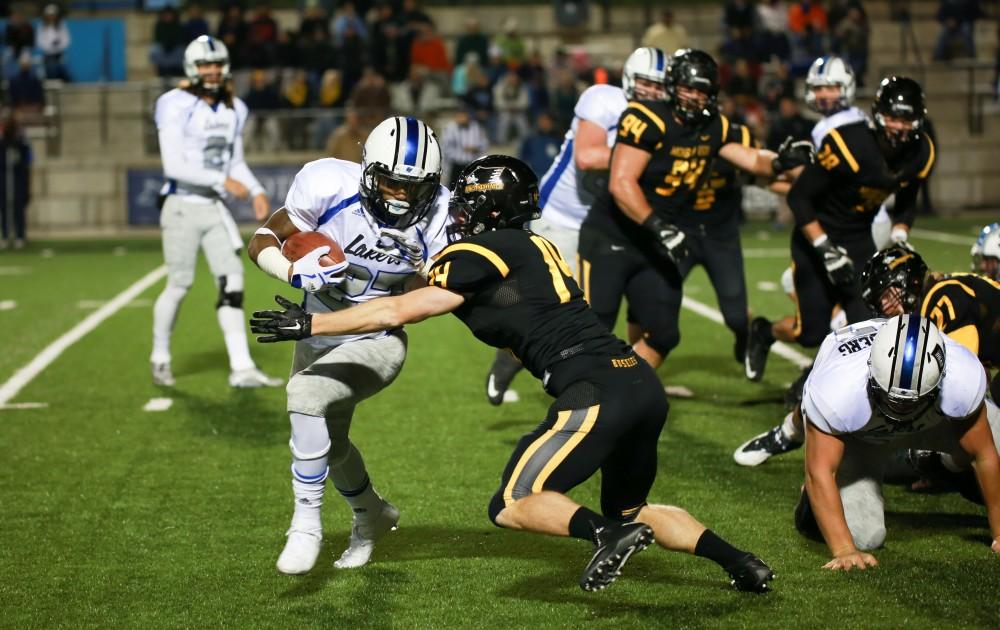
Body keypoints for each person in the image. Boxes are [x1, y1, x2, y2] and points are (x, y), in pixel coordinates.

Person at [250, 154, 776, 593]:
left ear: (485, 208)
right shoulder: (536, 245)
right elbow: (524, 321)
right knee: (635, 505)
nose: (457, 212)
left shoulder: (477, 251)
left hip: (594, 391)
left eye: (467, 203)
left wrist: (311, 320)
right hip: (638, 380)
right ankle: (740, 562)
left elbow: (396, 310)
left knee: (510, 503)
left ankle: (605, 535)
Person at [246, 116, 452, 575]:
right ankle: (371, 515)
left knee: (304, 397)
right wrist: (296, 273)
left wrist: (425, 264)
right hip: (314, 326)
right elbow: (263, 239)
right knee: (330, 441)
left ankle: (305, 524)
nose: (400, 195)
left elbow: (444, 295)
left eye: (412, 187)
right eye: (390, 182)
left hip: (378, 335)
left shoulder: (442, 214)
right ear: (367, 169)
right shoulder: (325, 182)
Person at [578, 48, 813, 372]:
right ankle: (577, 391)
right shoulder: (646, 117)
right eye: (688, 88)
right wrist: (659, 226)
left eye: (701, 91)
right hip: (613, 236)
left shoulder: (713, 126)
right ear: (672, 86)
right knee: (595, 327)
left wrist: (779, 161)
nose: (693, 97)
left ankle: (621, 389)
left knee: (663, 334)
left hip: (658, 241)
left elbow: (751, 159)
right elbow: (621, 183)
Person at [484, 47, 668, 406]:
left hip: (611, 226)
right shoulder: (605, 99)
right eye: (645, 81)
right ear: (630, 78)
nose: (651, 91)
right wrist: (645, 151)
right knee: (556, 312)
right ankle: (511, 357)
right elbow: (587, 156)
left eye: (658, 85)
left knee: (620, 308)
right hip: (562, 218)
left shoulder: (664, 119)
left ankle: (626, 377)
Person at [743, 76, 935, 383]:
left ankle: (836, 384)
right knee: (810, 333)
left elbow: (908, 199)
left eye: (907, 118)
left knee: (868, 325)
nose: (899, 126)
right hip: (816, 236)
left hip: (858, 238)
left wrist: (900, 234)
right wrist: (823, 247)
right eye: (894, 117)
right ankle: (764, 331)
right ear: (879, 114)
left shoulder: (920, 151)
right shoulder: (850, 143)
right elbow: (799, 197)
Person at [735, 243, 1000, 466]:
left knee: (943, 445)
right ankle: (787, 432)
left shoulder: (943, 297)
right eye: (878, 301)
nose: (884, 306)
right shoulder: (936, 297)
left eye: (887, 294)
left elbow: (973, 377)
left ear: (910, 280)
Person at [794, 315, 1000, 566]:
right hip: (861, 437)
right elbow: (821, 471)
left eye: (909, 402)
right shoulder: (838, 389)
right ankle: (809, 501)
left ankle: (938, 463)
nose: (900, 410)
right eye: (892, 399)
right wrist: (845, 550)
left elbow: (985, 455)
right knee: (864, 535)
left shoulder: (961, 377)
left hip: (932, 422)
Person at [150, 36, 280, 390]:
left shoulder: (235, 108)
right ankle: (160, 356)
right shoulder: (173, 103)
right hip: (181, 206)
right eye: (205, 64)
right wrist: (221, 179)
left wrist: (254, 189)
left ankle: (241, 367)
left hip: (213, 206)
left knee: (233, 281)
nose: (211, 71)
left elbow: (235, 161)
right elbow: (173, 165)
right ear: (192, 67)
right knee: (180, 285)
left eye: (216, 64)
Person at [440, 107, 489, 186]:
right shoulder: (450, 128)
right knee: (454, 188)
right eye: (459, 116)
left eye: (464, 116)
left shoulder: (476, 127)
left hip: (471, 165)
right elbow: (445, 147)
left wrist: (476, 148)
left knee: (470, 188)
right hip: (455, 165)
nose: (462, 118)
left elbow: (484, 144)